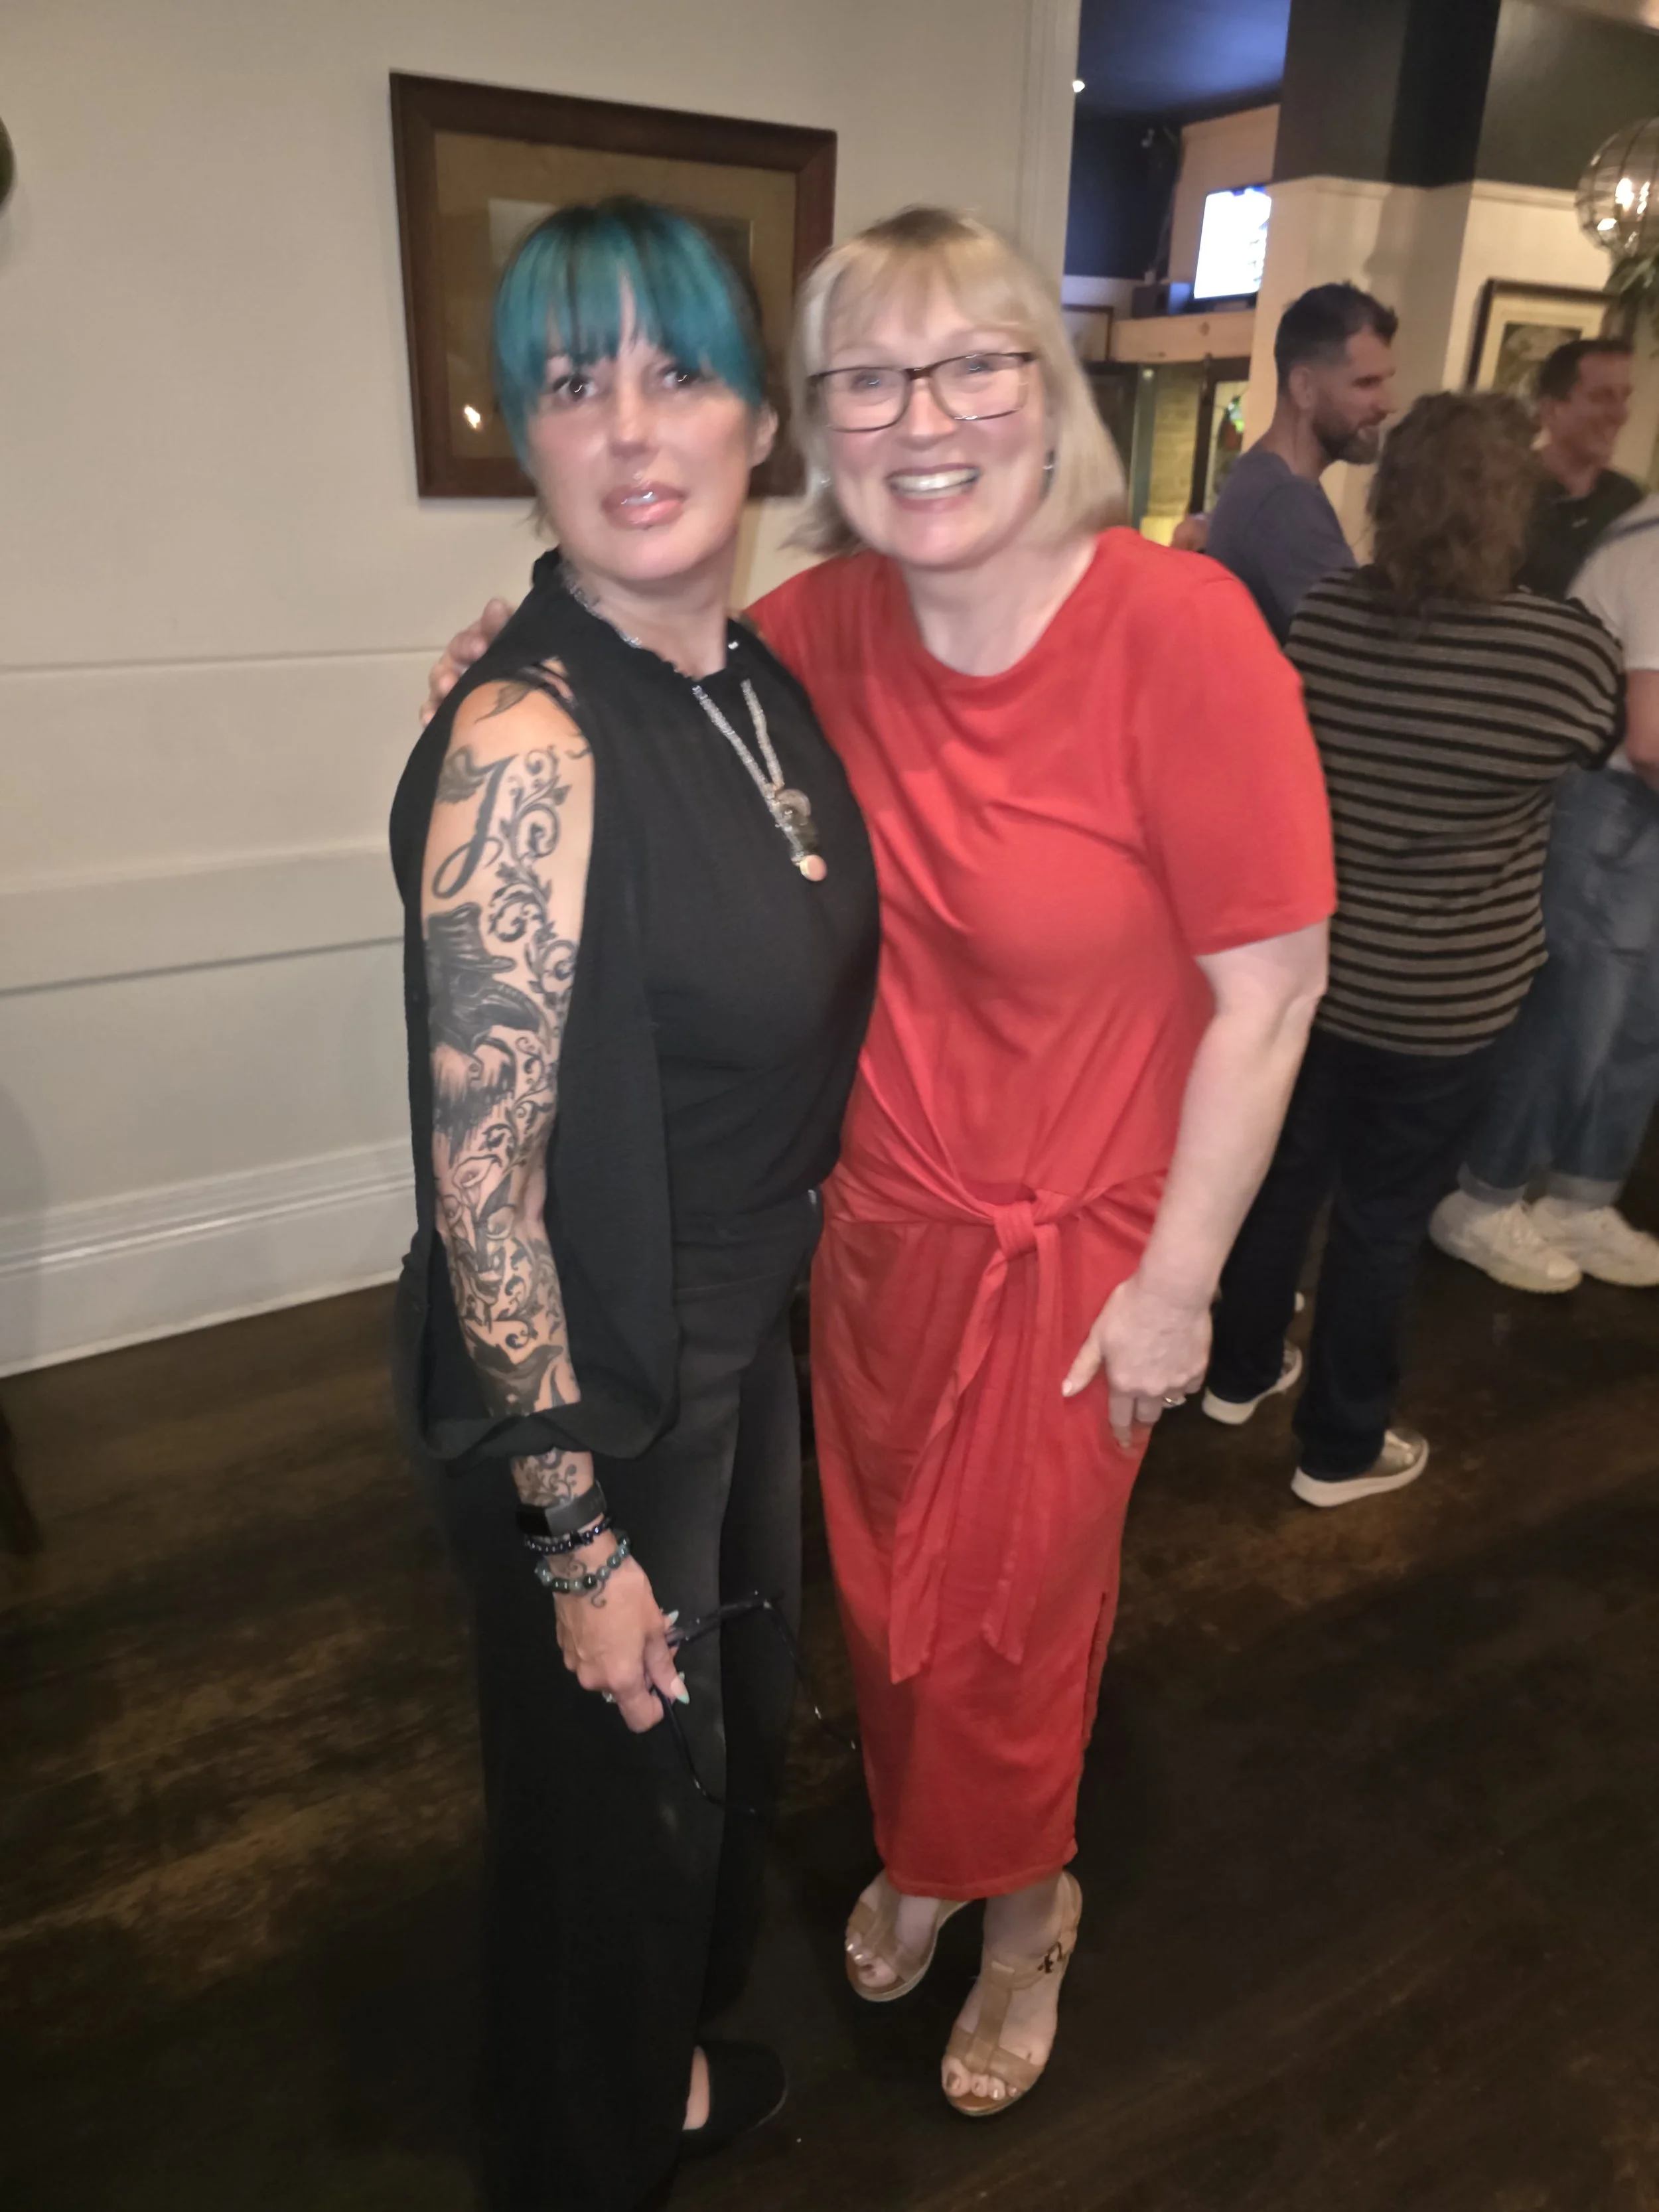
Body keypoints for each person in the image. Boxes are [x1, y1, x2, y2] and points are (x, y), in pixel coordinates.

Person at [431, 204, 1334, 2120]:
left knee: (1015, 1620)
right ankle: (936, 1852)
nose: (925, 417)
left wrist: (1180, 1282)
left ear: (1049, 388)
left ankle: (1031, 1911)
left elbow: (1269, 996)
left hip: (1084, 1262)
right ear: (816, 428)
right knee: (896, 1605)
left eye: (975, 363)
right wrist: (501, 668)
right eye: (869, 376)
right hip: (862, 1245)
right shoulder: (815, 636)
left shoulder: (1183, 630)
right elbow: (637, 688)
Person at [393, 198, 880, 2211]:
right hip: (600, 1378)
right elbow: (482, 1185)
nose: (627, 424)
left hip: (737, 1329)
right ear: (525, 433)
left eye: (672, 367)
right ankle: (584, 2154)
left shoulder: (748, 675)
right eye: (570, 382)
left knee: (695, 1772)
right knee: (626, 1803)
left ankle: (640, 2076)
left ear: (758, 416)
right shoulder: (530, 736)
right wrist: (574, 1533)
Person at [1202, 394, 1623, 1500]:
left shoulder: (1332, 615)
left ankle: (1237, 1370)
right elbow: (1596, 742)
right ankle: (1339, 1446)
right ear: (1508, 507)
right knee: (1382, 1219)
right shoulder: (1558, 649)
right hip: (1449, 1000)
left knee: (1280, 1179)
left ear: (1390, 499)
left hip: (1317, 974)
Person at [1432, 490, 1659, 1291]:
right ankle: (1485, 1194)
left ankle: (1579, 1195)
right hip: (1613, 799)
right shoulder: (1653, 544)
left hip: (1637, 806)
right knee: (1571, 1010)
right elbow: (1651, 734)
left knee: (1636, 1020)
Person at [1205, 281, 1398, 642]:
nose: (1388, 404)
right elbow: (1361, 656)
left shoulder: (1266, 481)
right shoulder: (1284, 502)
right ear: (1304, 388)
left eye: (1386, 382)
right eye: (1366, 383)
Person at [1516, 336, 1641, 601]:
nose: (1620, 414)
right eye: (1602, 397)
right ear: (1550, 409)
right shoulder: (1503, 494)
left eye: (1624, 397)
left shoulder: (1628, 501)